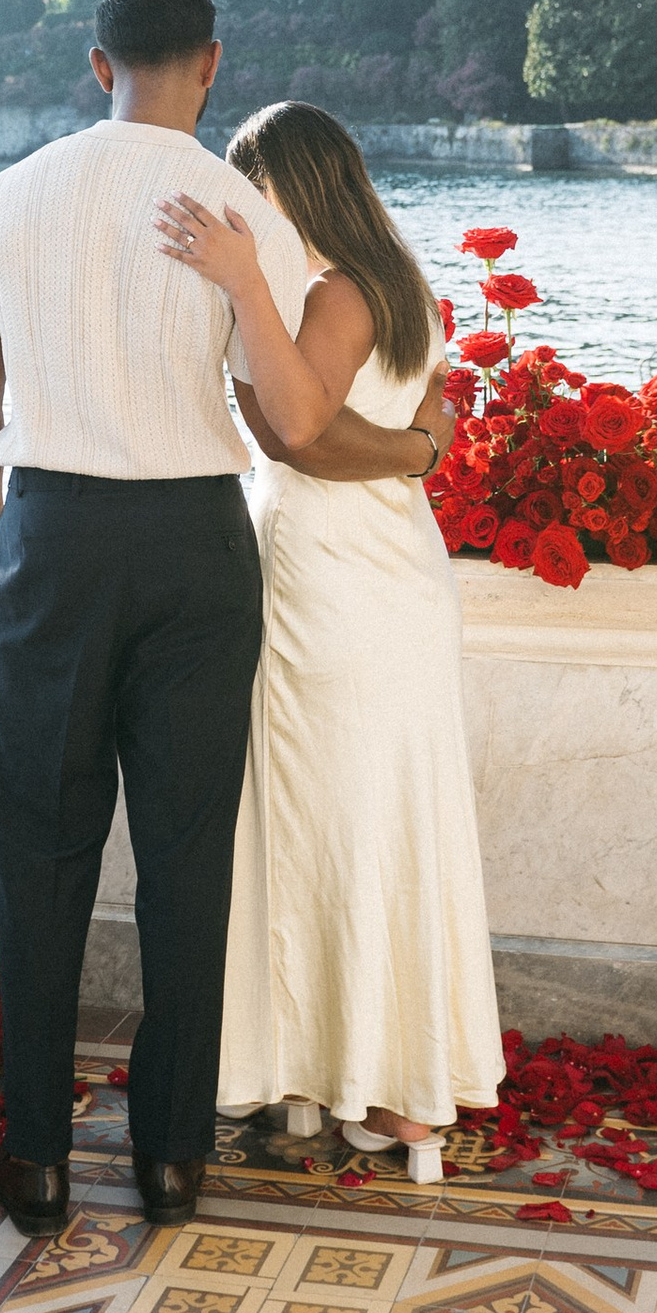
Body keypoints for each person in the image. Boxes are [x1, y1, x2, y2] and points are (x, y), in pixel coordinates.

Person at [0, 0, 441, 1237]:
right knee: (184, 862)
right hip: (192, 550)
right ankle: (170, 1161)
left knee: (40, 858)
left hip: (48, 540)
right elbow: (289, 417)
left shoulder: (2, 200)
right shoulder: (240, 212)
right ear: (211, 65)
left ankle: (37, 1160)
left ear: (94, 64)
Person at [156, 103, 499, 1183]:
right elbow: (405, 415)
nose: (245, 209)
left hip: (334, 585)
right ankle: (338, 1080)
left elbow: (294, 430)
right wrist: (415, 444)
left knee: (336, 821)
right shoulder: (395, 284)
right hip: (390, 572)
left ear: (290, 187)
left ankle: (374, 1090)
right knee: (373, 818)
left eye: (255, 189)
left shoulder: (336, 294)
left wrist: (240, 288)